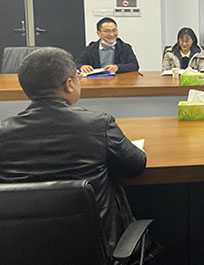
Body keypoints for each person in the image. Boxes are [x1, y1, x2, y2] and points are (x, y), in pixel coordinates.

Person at [0, 47, 146, 251]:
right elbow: (135, 166)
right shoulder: (98, 125)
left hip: (20, 250)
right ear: (70, 84)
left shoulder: (3, 133)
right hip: (95, 248)